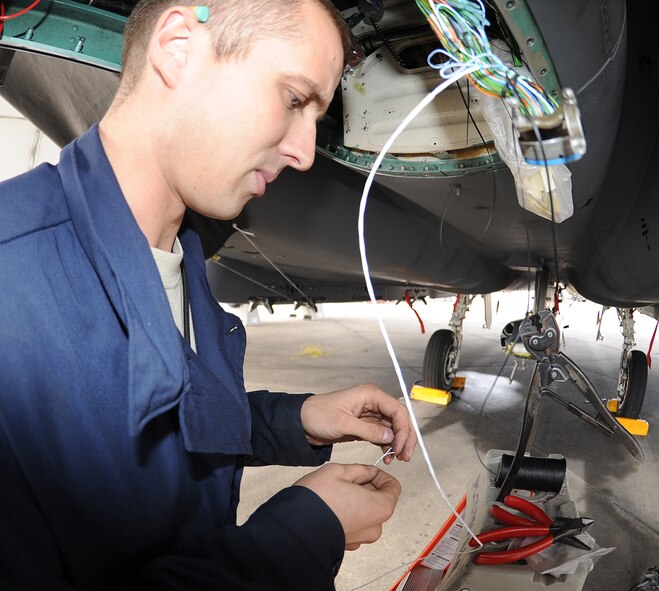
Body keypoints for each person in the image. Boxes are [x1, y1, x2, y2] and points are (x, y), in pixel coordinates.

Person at [0, 0, 417, 589]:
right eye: (295, 99)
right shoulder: (10, 283)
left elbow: (162, 435)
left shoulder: (184, 258)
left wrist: (294, 419)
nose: (303, 152)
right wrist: (297, 535)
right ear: (177, 48)